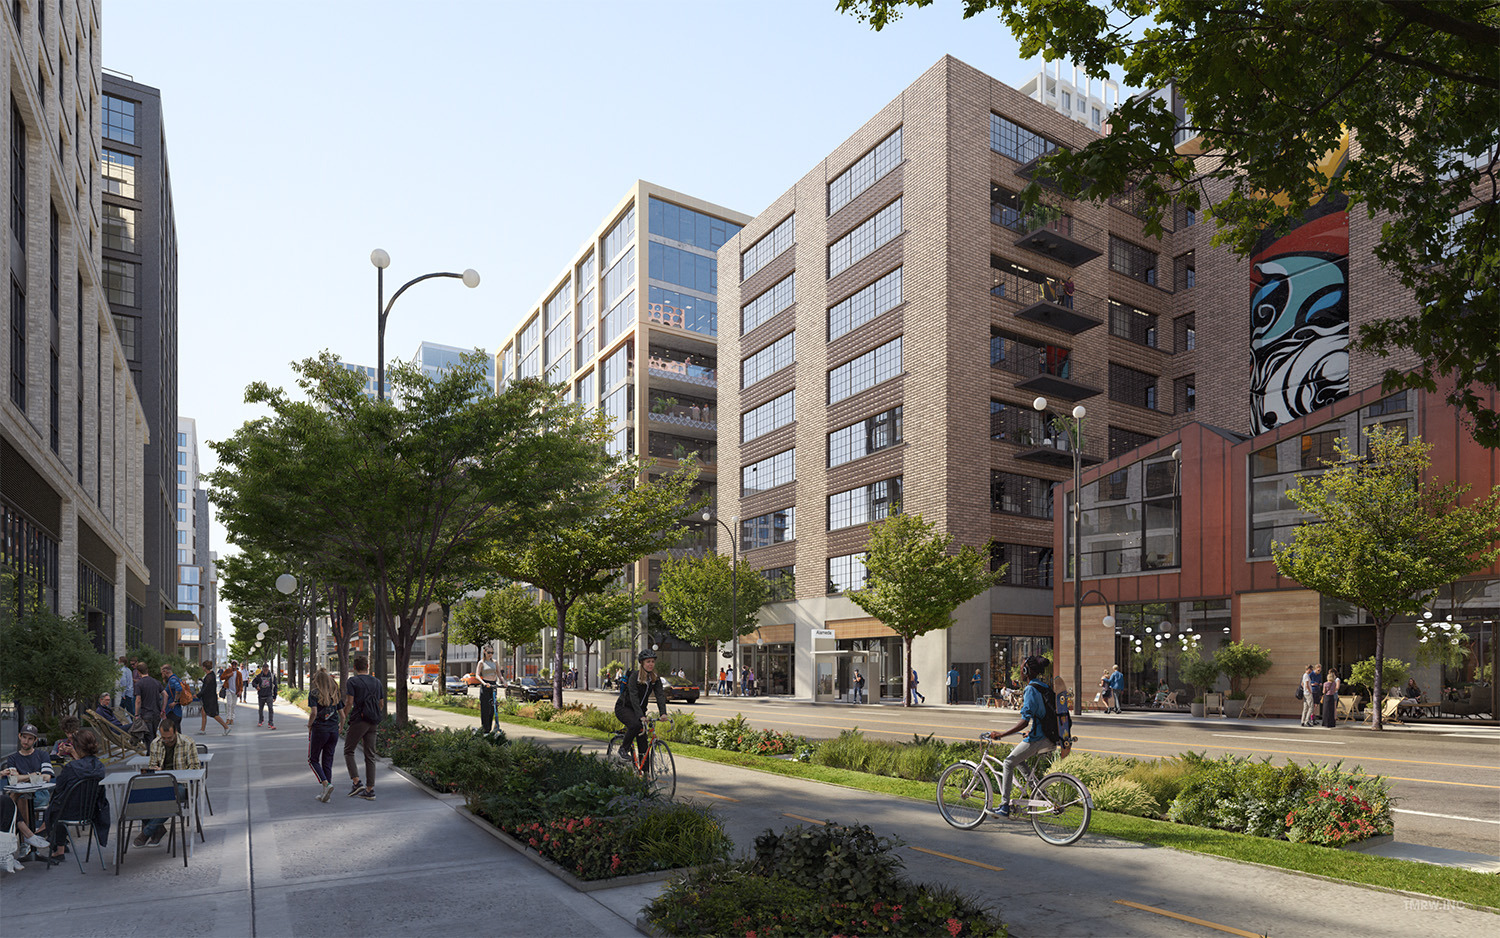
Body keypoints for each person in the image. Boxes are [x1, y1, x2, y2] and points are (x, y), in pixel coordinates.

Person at [985, 655, 1066, 818]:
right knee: (1019, 760)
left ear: (1026, 671)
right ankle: (1039, 793)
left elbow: (1024, 721)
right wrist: (1033, 729)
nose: (1020, 671)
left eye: (1022, 667)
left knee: (1008, 762)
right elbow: (1043, 715)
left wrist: (1002, 734)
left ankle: (1004, 806)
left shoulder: (1030, 689)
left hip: (1039, 738)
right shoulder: (1044, 687)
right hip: (1049, 736)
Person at [37, 727, 107, 868]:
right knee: (61, 804)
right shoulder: (99, 766)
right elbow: (84, 768)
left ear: (77, 747)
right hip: (91, 812)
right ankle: (60, 848)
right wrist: (75, 754)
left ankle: (53, 842)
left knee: (57, 806)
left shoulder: (71, 768)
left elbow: (59, 787)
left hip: (69, 812)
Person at [131, 716, 200, 848]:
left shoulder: (188, 742)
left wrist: (177, 773)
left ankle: (147, 832)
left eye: (170, 738)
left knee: (172, 795)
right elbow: (152, 765)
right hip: (160, 782)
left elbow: (195, 768)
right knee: (137, 795)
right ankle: (158, 829)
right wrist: (155, 769)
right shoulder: (155, 743)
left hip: (181, 784)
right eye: (164, 738)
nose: (167, 741)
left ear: (175, 732)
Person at [2, 724, 56, 861]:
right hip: (22, 797)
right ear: (19, 736)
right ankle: (29, 839)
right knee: (22, 797)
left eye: (30, 739)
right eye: (24, 737)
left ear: (35, 740)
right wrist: (35, 774)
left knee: (16, 799)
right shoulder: (13, 758)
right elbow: (14, 780)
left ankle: (26, 841)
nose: (26, 741)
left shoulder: (42, 755)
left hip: (40, 795)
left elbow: (47, 776)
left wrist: (22, 777)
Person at [614, 649, 670, 769]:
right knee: (635, 724)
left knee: (643, 741)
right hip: (624, 708)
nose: (651, 664)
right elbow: (634, 697)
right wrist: (641, 716)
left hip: (639, 711)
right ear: (642, 663)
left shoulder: (655, 679)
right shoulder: (635, 676)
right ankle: (623, 749)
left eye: (652, 662)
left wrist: (663, 713)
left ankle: (645, 775)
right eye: (648, 661)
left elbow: (660, 696)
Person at [343, 656, 384, 801]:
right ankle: (370, 790)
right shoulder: (377, 682)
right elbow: (381, 704)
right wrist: (374, 714)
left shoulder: (352, 681)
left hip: (359, 720)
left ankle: (356, 782)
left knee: (348, 750)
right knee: (370, 755)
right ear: (367, 666)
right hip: (373, 721)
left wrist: (343, 718)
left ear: (354, 668)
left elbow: (349, 702)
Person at [306, 668, 343, 803]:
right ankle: (326, 793)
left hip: (320, 730)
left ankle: (326, 785)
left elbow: (314, 713)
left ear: (317, 680)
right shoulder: (335, 693)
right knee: (327, 761)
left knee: (313, 760)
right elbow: (342, 715)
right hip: (333, 731)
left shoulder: (314, 693)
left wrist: (309, 725)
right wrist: (341, 726)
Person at [197, 660, 230, 736]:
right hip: (210, 698)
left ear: (205, 667)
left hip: (209, 699)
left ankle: (226, 727)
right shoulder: (211, 675)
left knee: (214, 714)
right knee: (203, 712)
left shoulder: (209, 677)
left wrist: (198, 695)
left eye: (203, 666)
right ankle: (202, 729)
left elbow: (205, 688)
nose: (202, 668)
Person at [133, 664, 164, 743]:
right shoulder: (156, 682)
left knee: (148, 737)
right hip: (157, 712)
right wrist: (163, 709)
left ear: (138, 672)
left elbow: (138, 700)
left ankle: (150, 753)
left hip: (146, 713)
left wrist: (136, 714)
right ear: (147, 670)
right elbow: (165, 695)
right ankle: (152, 752)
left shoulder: (139, 684)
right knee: (153, 734)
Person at [476, 647, 500, 734]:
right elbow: (477, 675)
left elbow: (499, 674)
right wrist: (483, 683)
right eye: (489, 652)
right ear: (484, 652)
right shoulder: (481, 662)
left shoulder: (495, 662)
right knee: (485, 709)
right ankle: (485, 729)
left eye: (492, 652)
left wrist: (504, 681)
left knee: (493, 708)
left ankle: (489, 728)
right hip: (485, 685)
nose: (490, 654)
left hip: (493, 685)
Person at [253, 664, 278, 728]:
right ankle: (261, 720)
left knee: (270, 709)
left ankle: (271, 723)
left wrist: (275, 696)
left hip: (269, 695)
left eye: (266, 669)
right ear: (262, 669)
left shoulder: (272, 676)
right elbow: (253, 682)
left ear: (268, 668)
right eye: (264, 669)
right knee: (260, 709)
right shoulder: (259, 676)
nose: (265, 670)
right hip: (261, 695)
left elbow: (275, 686)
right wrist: (256, 686)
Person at [221, 660, 242, 727]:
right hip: (228, 689)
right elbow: (221, 677)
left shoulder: (239, 673)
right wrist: (228, 675)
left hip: (236, 691)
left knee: (233, 705)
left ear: (237, 665)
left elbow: (241, 683)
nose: (234, 666)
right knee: (229, 704)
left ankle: (232, 719)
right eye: (233, 664)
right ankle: (228, 719)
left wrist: (240, 691)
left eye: (235, 664)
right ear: (231, 664)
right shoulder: (227, 671)